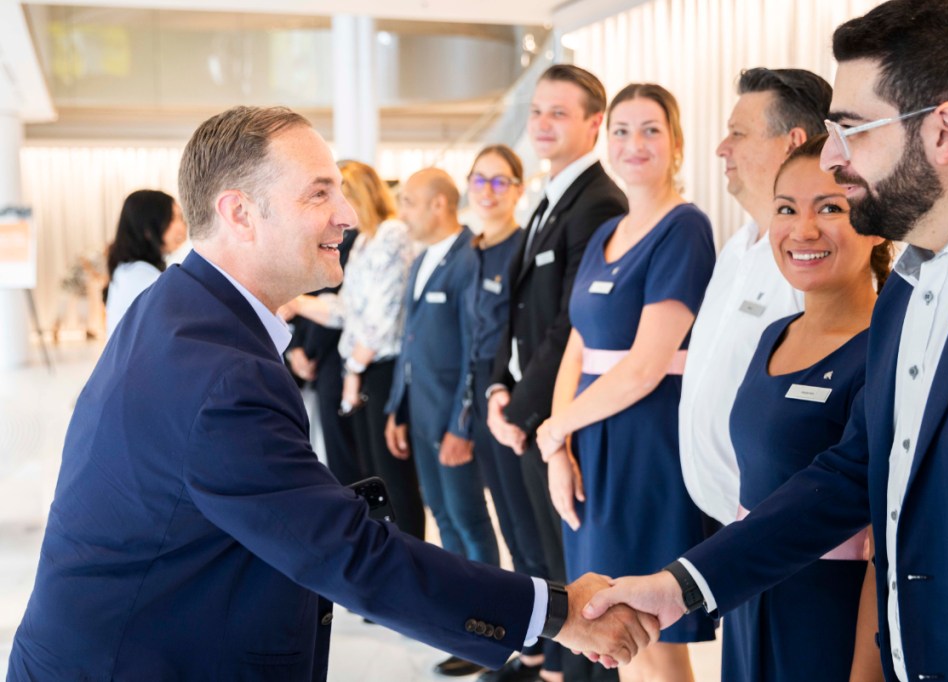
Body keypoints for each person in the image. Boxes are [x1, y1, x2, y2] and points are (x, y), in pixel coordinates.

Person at [6, 106, 659, 681]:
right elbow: (349, 554)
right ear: (239, 212)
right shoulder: (218, 371)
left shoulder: (178, 308)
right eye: (320, 194)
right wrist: (558, 611)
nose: (347, 215)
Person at [581, 1, 948, 680]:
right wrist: (682, 586)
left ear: (946, 130)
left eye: (851, 131)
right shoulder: (909, 287)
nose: (833, 159)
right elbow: (850, 474)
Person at [535, 83, 716, 682]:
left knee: (649, 628)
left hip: (644, 443)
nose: (633, 144)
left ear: (676, 145)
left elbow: (644, 365)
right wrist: (558, 446)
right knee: (608, 626)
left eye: (649, 130)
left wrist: (558, 425)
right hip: (590, 439)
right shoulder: (606, 233)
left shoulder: (685, 228)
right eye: (620, 130)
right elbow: (576, 347)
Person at [722, 135, 888, 682]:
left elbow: (882, 543)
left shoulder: (885, 348)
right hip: (749, 594)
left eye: (831, 208)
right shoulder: (774, 334)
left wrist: (864, 673)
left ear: (877, 218)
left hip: (828, 614)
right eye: (786, 209)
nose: (803, 229)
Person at [487, 63, 628, 682]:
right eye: (537, 110)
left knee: (574, 573)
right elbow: (513, 309)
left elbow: (570, 325)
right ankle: (549, 668)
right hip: (524, 409)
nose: (541, 123)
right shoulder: (550, 198)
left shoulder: (599, 201)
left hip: (558, 414)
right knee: (536, 557)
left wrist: (521, 413)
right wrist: (497, 387)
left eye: (559, 113)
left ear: (594, 124)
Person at [678, 68, 832, 530]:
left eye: (738, 134)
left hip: (772, 528)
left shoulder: (811, 257)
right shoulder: (736, 246)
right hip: (716, 519)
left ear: (792, 142)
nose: (722, 148)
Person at [384, 167, 502, 676]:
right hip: (421, 415)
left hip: (453, 421)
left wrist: (463, 424)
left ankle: (490, 629)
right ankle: (463, 627)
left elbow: (477, 350)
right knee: (445, 520)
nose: (402, 212)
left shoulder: (467, 260)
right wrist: (395, 408)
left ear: (438, 204)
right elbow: (410, 341)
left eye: (409, 201)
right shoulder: (420, 262)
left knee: (469, 522)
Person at [282, 160, 425, 537]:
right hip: (360, 367)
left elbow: (383, 316)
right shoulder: (365, 241)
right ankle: (386, 558)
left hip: (380, 369)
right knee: (370, 476)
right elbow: (346, 309)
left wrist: (354, 372)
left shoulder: (394, 234)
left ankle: (411, 563)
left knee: (393, 479)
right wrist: (298, 303)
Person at [464, 145, 549, 589]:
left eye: (500, 181)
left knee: (528, 526)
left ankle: (553, 654)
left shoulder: (523, 249)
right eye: (480, 180)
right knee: (509, 527)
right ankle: (534, 649)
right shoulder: (471, 250)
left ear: (518, 189)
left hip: (513, 393)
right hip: (477, 391)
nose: (488, 191)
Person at [283, 228, 363, 484]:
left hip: (336, 357)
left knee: (343, 456)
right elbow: (287, 297)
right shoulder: (298, 242)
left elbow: (340, 307)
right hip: (303, 360)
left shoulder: (352, 242)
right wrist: (294, 349)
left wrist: (310, 352)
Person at [103, 189, 188, 337]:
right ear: (148, 228)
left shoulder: (129, 270)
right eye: (172, 219)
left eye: (181, 218)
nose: (181, 227)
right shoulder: (140, 278)